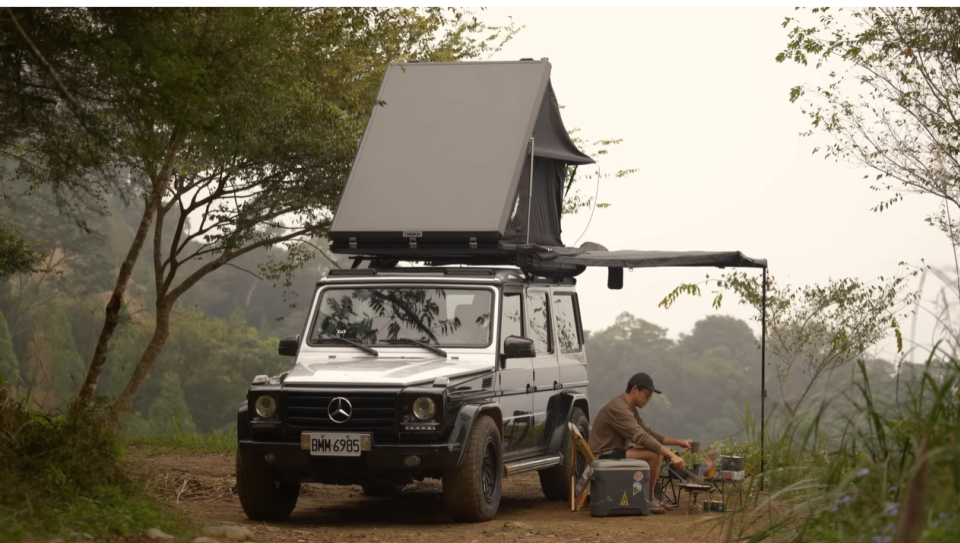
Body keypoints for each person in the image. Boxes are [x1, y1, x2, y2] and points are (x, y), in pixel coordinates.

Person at [587, 372, 692, 514]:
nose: (648, 399)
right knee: (654, 454)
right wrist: (671, 455)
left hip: (613, 453)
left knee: (656, 451)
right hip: (603, 456)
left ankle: (649, 497)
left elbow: (649, 433)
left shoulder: (630, 409)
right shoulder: (619, 409)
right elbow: (641, 437)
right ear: (635, 389)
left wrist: (679, 442)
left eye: (650, 396)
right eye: (647, 394)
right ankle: (647, 499)